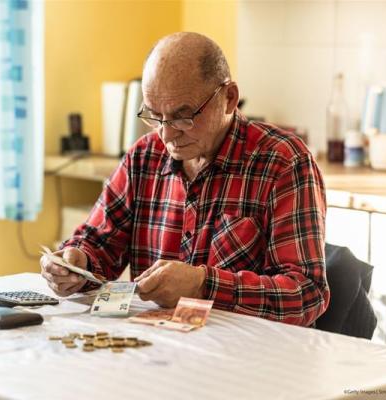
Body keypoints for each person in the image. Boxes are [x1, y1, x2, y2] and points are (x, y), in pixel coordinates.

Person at [40, 32, 329, 327]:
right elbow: (98, 243)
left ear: (229, 98)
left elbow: (306, 294)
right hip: (157, 348)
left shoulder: (283, 162)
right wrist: (74, 263)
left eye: (183, 117)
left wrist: (203, 285)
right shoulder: (144, 157)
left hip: (247, 358)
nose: (166, 135)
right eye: (154, 115)